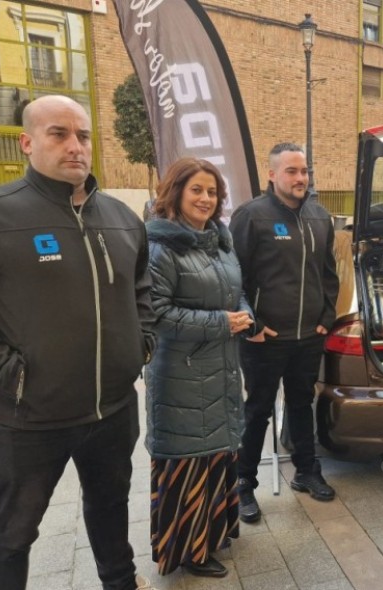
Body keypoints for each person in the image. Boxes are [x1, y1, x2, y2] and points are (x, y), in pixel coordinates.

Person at [0, 95, 158, 590]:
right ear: (27, 142)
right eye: (59, 134)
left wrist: (141, 344)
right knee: (11, 533)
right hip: (27, 418)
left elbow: (143, 289)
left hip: (113, 409)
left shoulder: (123, 218)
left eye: (83, 135)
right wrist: (6, 372)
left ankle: (120, 582)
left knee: (110, 507)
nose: (75, 146)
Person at [144, 158, 254, 578]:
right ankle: (187, 549)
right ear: (175, 193)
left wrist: (243, 315)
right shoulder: (161, 247)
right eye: (197, 190)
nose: (206, 199)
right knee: (187, 460)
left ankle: (212, 533)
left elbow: (234, 293)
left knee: (216, 454)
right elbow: (155, 313)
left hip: (220, 367)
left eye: (212, 192)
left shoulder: (219, 242)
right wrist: (220, 323)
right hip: (181, 374)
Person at [230, 143, 339, 522]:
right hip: (266, 339)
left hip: (308, 336)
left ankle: (307, 471)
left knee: (300, 404)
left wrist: (327, 316)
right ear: (272, 174)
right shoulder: (251, 217)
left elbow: (329, 273)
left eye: (304, 171)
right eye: (291, 171)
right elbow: (234, 279)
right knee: (257, 410)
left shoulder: (320, 216)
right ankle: (242, 485)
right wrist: (252, 326)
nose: (300, 178)